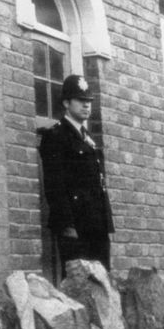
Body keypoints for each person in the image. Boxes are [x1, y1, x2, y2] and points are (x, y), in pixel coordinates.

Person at [39, 74, 114, 274]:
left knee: (102, 286)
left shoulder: (88, 138)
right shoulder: (56, 137)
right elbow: (55, 187)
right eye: (81, 101)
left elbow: (99, 186)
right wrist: (67, 226)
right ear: (66, 102)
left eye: (89, 101)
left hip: (96, 226)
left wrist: (106, 224)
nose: (86, 106)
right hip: (75, 227)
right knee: (79, 285)